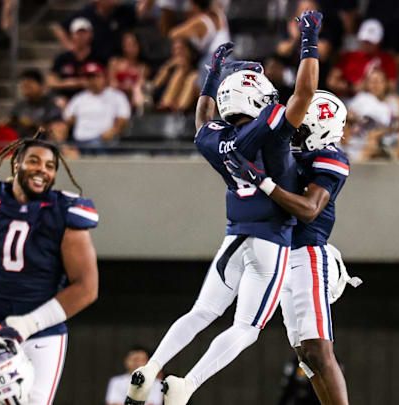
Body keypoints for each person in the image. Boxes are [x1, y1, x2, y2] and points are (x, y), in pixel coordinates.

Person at [126, 10, 323, 405]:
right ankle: (187, 384)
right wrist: (309, 41)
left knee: (201, 311)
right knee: (247, 327)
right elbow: (304, 94)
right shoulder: (270, 125)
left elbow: (202, 118)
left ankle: (150, 369)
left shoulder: (214, 139)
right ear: (257, 98)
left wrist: (210, 76)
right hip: (270, 242)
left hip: (233, 238)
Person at [0, 133, 99, 405]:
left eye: (50, 166)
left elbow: (87, 288)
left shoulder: (64, 209)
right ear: (16, 164)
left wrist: (29, 324)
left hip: (40, 333)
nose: (42, 170)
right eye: (34, 161)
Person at [226, 90, 361, 405]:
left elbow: (309, 209)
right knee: (304, 355)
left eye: (301, 126)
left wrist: (265, 183)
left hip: (307, 254)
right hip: (282, 254)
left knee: (318, 348)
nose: (294, 131)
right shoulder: (292, 151)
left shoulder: (329, 157)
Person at [63, 62, 131, 155]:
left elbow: (123, 118)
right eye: (89, 77)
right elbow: (68, 118)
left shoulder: (116, 96)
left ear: (104, 77)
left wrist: (114, 130)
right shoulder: (79, 98)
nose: (93, 80)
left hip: (104, 141)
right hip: (79, 142)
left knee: (97, 145)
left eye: (96, 76)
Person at [326, 19, 398, 98]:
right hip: (348, 99)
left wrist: (372, 86)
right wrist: (351, 87)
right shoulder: (348, 57)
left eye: (370, 42)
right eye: (365, 41)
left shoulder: (387, 60)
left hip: (376, 100)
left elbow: (392, 85)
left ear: (379, 42)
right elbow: (331, 82)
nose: (366, 44)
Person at [50, 0, 136, 60]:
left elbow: (140, 12)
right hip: (92, 60)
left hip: (114, 62)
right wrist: (70, 46)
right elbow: (57, 27)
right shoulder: (86, 14)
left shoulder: (122, 12)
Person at [48, 17, 108, 102]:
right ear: (72, 35)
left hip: (93, 98)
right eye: (78, 33)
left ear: (90, 34)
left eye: (84, 33)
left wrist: (89, 83)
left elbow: (106, 81)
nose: (81, 36)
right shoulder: (62, 58)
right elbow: (51, 82)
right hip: (66, 99)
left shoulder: (98, 57)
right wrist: (69, 83)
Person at [8, 69, 66, 139]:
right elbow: (9, 122)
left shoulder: (51, 105)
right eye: (24, 86)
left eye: (29, 86)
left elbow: (56, 129)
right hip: (22, 143)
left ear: (41, 86)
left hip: (44, 143)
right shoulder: (19, 106)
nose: (26, 90)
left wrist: (32, 124)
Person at [151, 39, 200, 112]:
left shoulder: (196, 72)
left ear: (189, 51)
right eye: (175, 49)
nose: (178, 52)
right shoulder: (169, 69)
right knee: (179, 73)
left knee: (192, 77)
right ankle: (167, 108)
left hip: (185, 108)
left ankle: (177, 110)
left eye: (181, 49)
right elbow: (153, 86)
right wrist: (168, 66)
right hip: (164, 105)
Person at [108, 31, 150, 112]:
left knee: (138, 90)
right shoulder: (115, 63)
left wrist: (131, 88)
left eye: (133, 44)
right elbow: (112, 83)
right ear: (123, 46)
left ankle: (140, 114)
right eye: (127, 44)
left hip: (134, 99)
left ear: (139, 46)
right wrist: (127, 87)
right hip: (116, 97)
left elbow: (140, 84)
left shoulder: (143, 68)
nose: (130, 48)